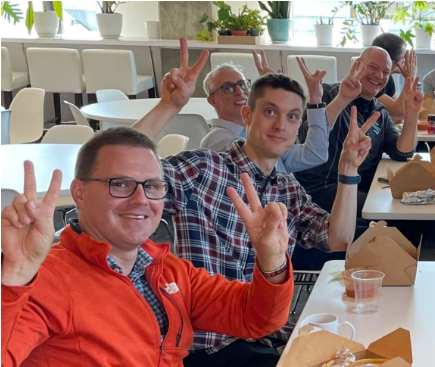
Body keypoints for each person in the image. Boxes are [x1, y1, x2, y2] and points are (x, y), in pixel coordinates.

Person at [130, 39, 375, 367]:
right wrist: (168, 107)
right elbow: (125, 170)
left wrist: (348, 171)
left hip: (262, 332)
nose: (280, 125)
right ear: (247, 114)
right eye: (270, 112)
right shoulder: (206, 168)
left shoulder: (287, 188)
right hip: (206, 343)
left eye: (292, 117)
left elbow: (338, 238)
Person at [0, 131, 294, 366]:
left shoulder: (168, 270)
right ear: (79, 192)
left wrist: (272, 260)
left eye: (152, 186)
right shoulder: (47, 280)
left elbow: (255, 318)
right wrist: (13, 274)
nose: (141, 199)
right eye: (121, 184)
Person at [296, 47, 422, 215]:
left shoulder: (379, 111)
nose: (379, 76)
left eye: (385, 72)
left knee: (419, 215)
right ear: (357, 64)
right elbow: (307, 136)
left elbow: (402, 152)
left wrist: (412, 113)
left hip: (363, 185)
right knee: (399, 215)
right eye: (373, 67)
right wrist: (343, 99)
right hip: (325, 188)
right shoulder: (328, 93)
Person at [198, 54, 331, 174]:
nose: (239, 91)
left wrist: (315, 100)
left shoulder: (264, 138)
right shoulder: (217, 139)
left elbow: (315, 154)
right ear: (212, 100)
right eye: (228, 88)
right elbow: (255, 161)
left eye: (242, 84)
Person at [371, 33, 419, 123]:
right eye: (403, 59)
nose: (406, 62)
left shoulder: (387, 78)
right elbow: (400, 112)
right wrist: (410, 77)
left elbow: (402, 110)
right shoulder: (370, 81)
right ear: (390, 61)